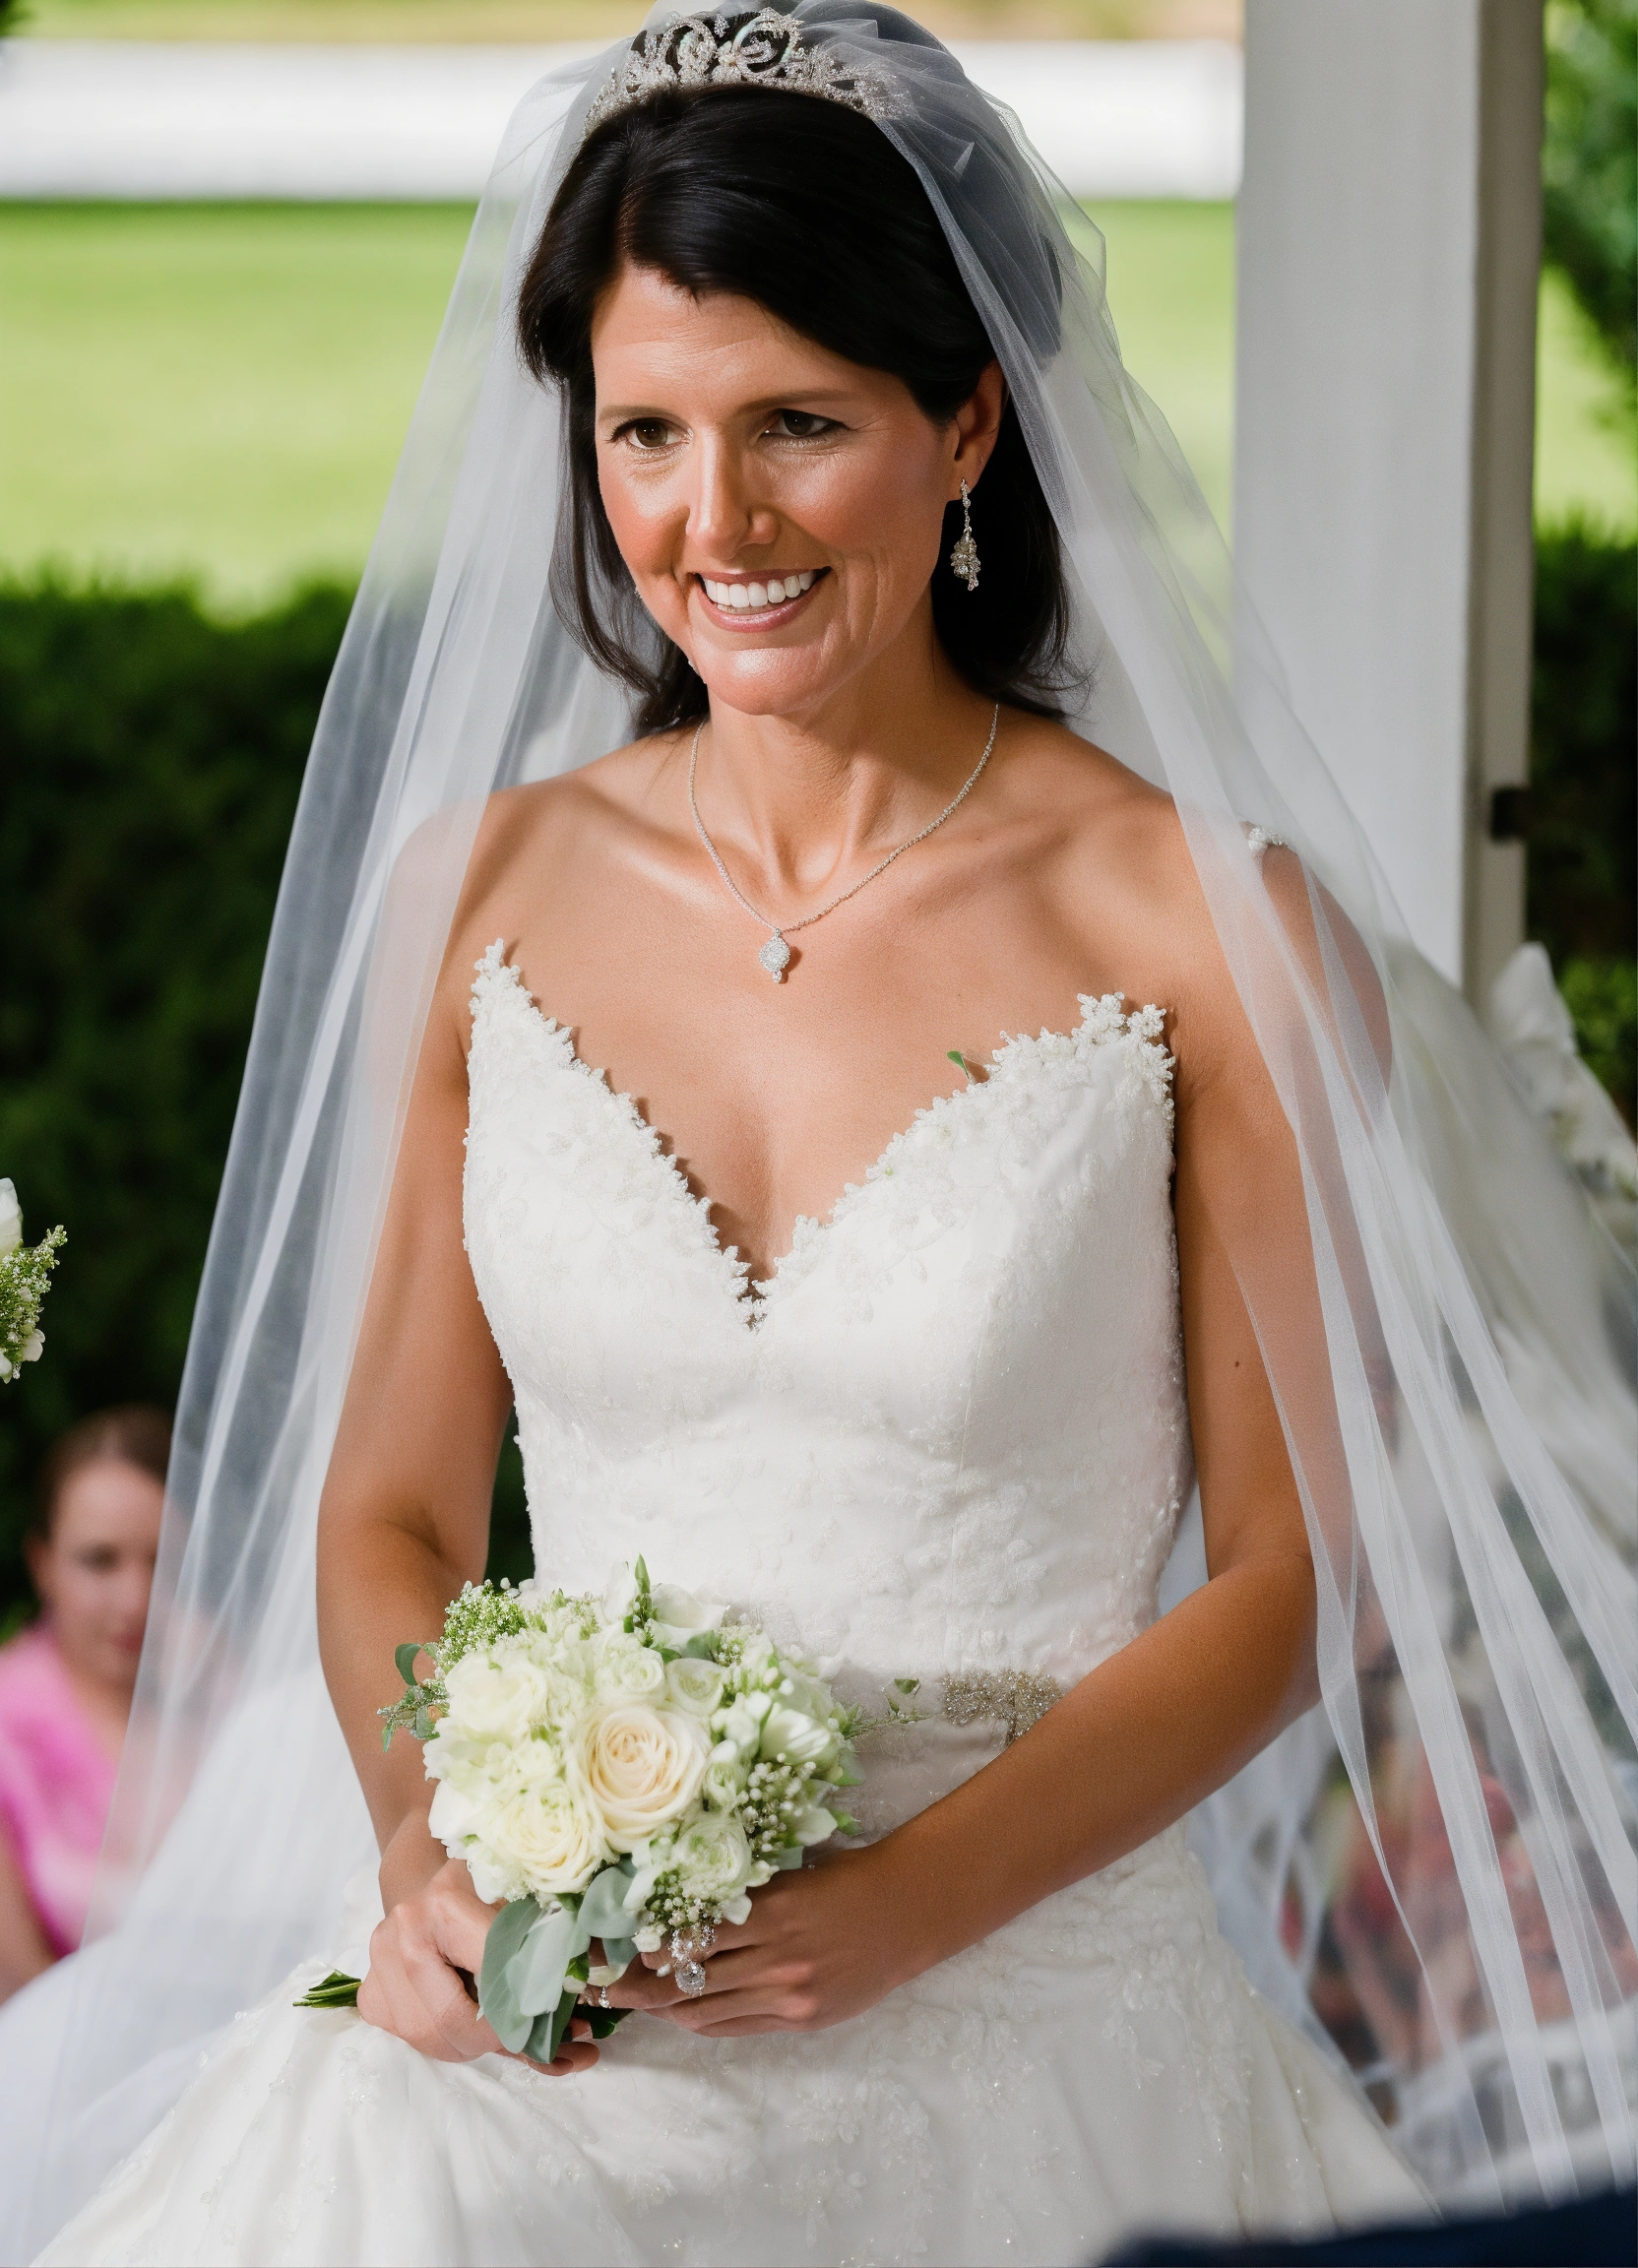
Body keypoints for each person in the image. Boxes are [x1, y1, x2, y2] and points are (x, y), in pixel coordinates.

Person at [3, 11, 1632, 2264]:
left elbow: (1278, 1578)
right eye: (645, 432)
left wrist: (895, 1910)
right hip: (568, 2022)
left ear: (964, 421)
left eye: (799, 426)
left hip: (1028, 1993)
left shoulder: (1204, 924)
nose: (712, 522)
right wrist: (425, 1846)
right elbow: (386, 1503)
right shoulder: (473, 895)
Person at [0, 1409, 168, 1999]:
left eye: (163, 1559)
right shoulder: (7, 1727)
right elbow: (16, 1980)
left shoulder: (228, 1698)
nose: (136, 1599)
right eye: (100, 1560)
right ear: (41, 1563)